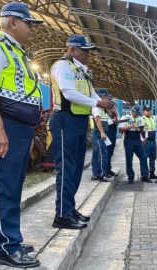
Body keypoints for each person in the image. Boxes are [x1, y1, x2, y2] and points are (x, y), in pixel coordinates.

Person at [0, 2, 44, 267]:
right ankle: (9, 248)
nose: (32, 29)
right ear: (12, 22)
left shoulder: (17, 51)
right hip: (3, 124)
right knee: (4, 186)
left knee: (12, 186)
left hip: (18, 126)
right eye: (29, 23)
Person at [50, 34, 115, 230]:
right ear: (71, 49)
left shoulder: (81, 70)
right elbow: (69, 92)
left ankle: (69, 209)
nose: (88, 54)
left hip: (79, 121)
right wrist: (98, 102)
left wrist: (105, 106)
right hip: (64, 120)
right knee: (66, 169)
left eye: (89, 51)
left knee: (77, 169)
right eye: (84, 50)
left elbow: (89, 93)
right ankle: (61, 214)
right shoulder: (63, 66)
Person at [119, 105, 149, 184]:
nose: (137, 115)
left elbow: (141, 131)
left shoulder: (140, 118)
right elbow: (120, 129)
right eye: (136, 113)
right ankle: (130, 177)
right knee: (129, 159)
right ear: (132, 111)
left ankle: (145, 176)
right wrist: (131, 126)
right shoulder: (125, 117)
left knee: (144, 157)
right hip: (129, 139)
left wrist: (141, 129)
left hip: (137, 139)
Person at [90, 88, 113, 182]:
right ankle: (102, 174)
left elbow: (110, 113)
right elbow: (97, 119)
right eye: (107, 97)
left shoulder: (101, 107)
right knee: (101, 154)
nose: (108, 99)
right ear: (103, 96)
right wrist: (102, 132)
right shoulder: (97, 106)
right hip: (98, 133)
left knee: (96, 155)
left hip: (97, 133)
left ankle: (95, 174)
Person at [142, 104, 157, 180]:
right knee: (144, 158)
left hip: (153, 140)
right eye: (147, 110)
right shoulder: (141, 119)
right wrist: (142, 140)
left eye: (150, 110)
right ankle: (144, 175)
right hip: (146, 141)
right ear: (143, 111)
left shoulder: (153, 118)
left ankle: (152, 173)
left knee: (153, 158)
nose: (149, 112)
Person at [106, 101, 121, 178]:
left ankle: (109, 169)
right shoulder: (104, 112)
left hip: (113, 133)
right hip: (107, 133)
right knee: (107, 152)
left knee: (111, 152)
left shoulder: (113, 112)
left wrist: (116, 113)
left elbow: (118, 120)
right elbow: (104, 122)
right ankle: (105, 170)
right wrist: (112, 121)